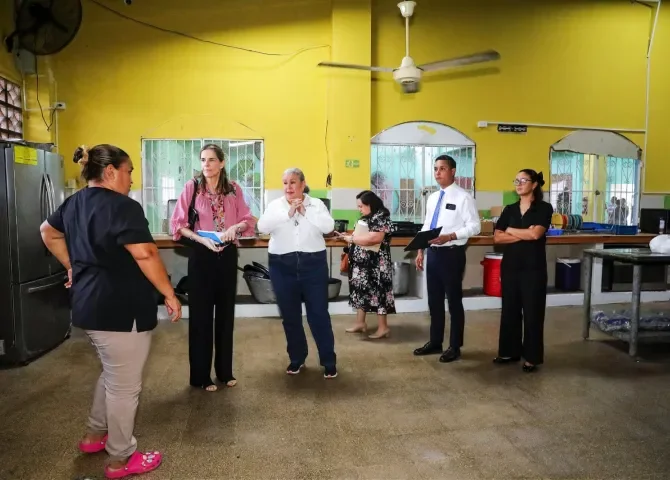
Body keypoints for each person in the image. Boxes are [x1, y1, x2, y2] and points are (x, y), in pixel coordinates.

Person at [40, 144, 181, 479]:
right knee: (124, 387)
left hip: (88, 307)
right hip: (120, 310)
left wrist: (71, 265)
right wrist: (169, 293)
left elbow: (48, 231)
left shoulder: (74, 202)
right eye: (129, 171)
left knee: (112, 373)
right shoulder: (123, 206)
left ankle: (94, 435)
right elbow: (146, 253)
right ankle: (121, 458)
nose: (131, 179)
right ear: (110, 171)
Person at [171, 143, 256, 392]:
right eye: (203, 160)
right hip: (202, 255)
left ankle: (224, 372)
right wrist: (200, 239)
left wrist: (236, 228)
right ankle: (201, 376)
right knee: (201, 317)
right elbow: (178, 225)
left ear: (222, 162)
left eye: (211, 160)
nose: (206, 164)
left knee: (226, 315)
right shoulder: (192, 187)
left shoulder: (234, 189)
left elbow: (247, 219)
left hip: (227, 255)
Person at [257, 168, 338, 378]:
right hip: (281, 265)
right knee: (290, 316)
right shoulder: (275, 206)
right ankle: (297, 358)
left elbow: (328, 226)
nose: (288, 187)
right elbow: (262, 226)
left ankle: (328, 361)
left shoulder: (316, 205)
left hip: (313, 264)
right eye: (285, 183)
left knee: (318, 314)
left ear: (302, 184)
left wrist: (304, 212)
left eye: (293, 182)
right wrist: (288, 214)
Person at [413, 155, 480, 363]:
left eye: (442, 168)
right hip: (433, 255)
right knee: (434, 301)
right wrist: (420, 249)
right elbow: (427, 225)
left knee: (453, 302)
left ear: (453, 171)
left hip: (452, 254)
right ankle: (435, 342)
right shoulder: (433, 198)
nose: (437, 172)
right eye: (435, 168)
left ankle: (455, 346)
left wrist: (450, 236)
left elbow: (475, 226)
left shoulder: (463, 197)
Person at [493, 169, 553, 373]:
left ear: (534, 184)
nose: (518, 184)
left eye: (523, 180)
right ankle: (509, 352)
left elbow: (536, 235)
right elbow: (497, 237)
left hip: (533, 269)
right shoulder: (509, 209)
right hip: (510, 267)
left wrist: (510, 230)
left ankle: (532, 357)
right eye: (516, 180)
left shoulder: (543, 208)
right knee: (509, 310)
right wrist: (524, 233)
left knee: (533, 312)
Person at [338, 190, 396, 339]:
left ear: (370, 204)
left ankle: (383, 327)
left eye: (361, 206)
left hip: (377, 265)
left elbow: (374, 238)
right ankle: (360, 323)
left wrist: (351, 239)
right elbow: (362, 235)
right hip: (362, 264)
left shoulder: (381, 217)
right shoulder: (368, 217)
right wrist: (349, 237)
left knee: (379, 293)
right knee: (360, 290)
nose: (359, 209)